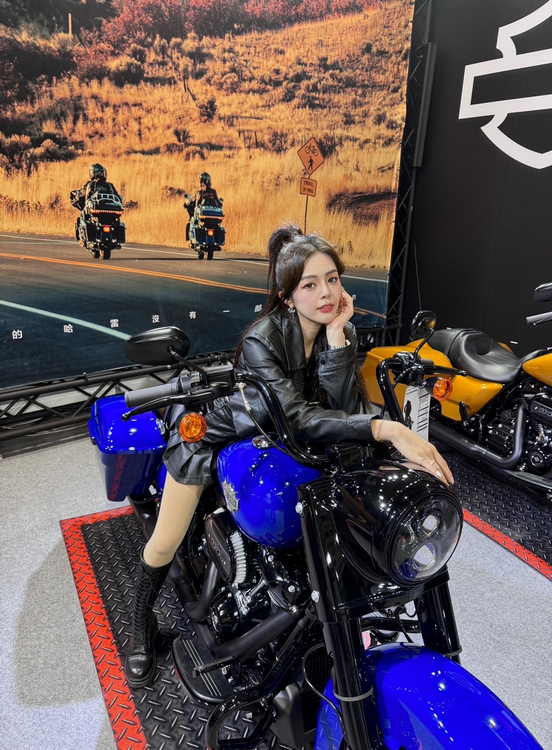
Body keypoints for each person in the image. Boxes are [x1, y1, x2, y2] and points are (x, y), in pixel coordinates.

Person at [124, 223, 454, 688]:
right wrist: (386, 427)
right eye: (310, 284)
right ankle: (141, 630)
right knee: (165, 540)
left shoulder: (340, 330)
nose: (327, 293)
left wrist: (337, 339)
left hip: (292, 442)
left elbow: (342, 409)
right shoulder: (262, 339)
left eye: (332, 279)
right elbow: (297, 416)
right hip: (218, 437)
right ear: (287, 295)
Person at [184, 172, 222, 241]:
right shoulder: (213, 192)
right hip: (213, 217)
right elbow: (218, 202)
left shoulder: (199, 193)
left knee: (191, 223)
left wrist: (187, 202)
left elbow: (192, 201)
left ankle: (189, 241)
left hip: (202, 216)